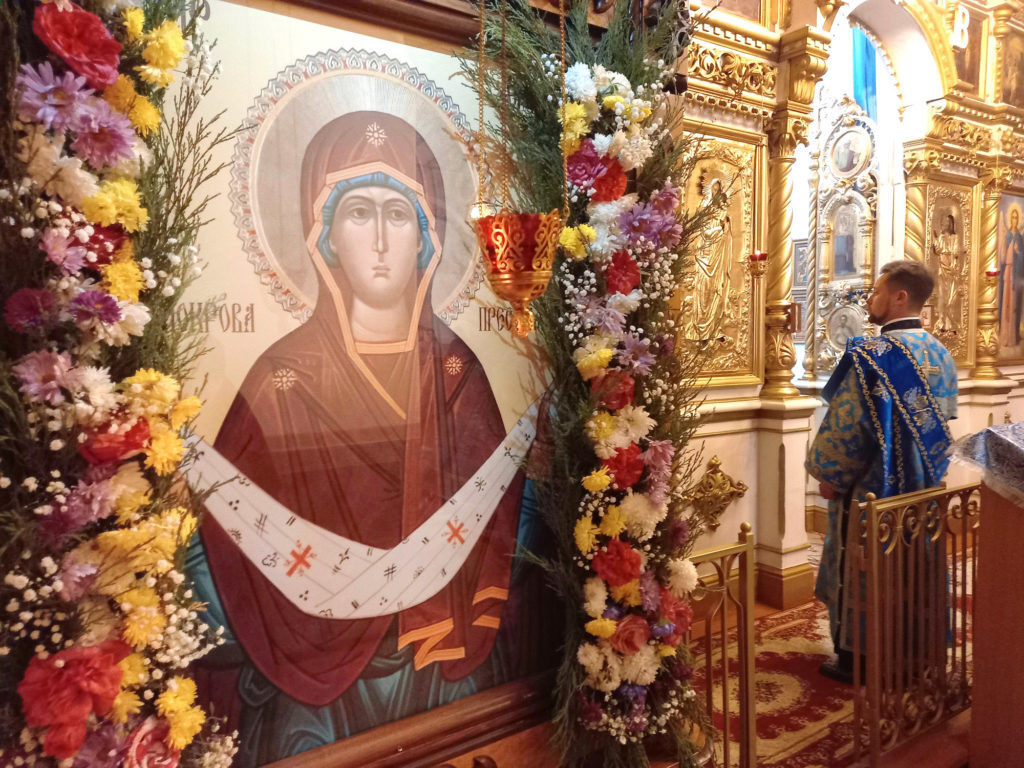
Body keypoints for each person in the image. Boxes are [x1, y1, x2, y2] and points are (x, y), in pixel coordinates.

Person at [190, 112, 531, 766]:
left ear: (427, 236)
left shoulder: (458, 373)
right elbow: (224, 537)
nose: (378, 240)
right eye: (357, 213)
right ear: (323, 236)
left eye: (398, 215)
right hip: (314, 692)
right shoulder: (280, 379)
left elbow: (505, 518)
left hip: (445, 671)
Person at [807, 260, 957, 684]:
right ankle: (915, 653)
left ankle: (857, 659)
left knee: (864, 565)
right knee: (916, 563)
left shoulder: (871, 355)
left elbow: (849, 424)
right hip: (923, 486)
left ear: (899, 297)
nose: (869, 299)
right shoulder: (941, 353)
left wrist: (830, 474)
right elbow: (946, 417)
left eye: (876, 291)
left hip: (873, 487)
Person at [998, 206, 1024, 347]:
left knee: (1014, 304)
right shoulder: (1007, 236)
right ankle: (1005, 336)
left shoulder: (1020, 238)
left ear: (1018, 220)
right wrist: (1006, 250)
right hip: (1008, 273)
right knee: (1006, 302)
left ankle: (1013, 336)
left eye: (1016, 218)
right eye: (1012, 217)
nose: (1014, 220)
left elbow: (1022, 258)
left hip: (1016, 274)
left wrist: (1018, 252)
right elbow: (1002, 259)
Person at [932, 213, 962, 332]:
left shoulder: (954, 237)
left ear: (951, 225)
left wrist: (953, 265)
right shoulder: (941, 237)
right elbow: (938, 250)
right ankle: (942, 321)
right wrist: (935, 240)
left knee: (951, 296)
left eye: (948, 223)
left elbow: (956, 252)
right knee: (942, 294)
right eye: (944, 222)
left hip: (952, 267)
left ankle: (951, 322)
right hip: (942, 266)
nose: (945, 224)